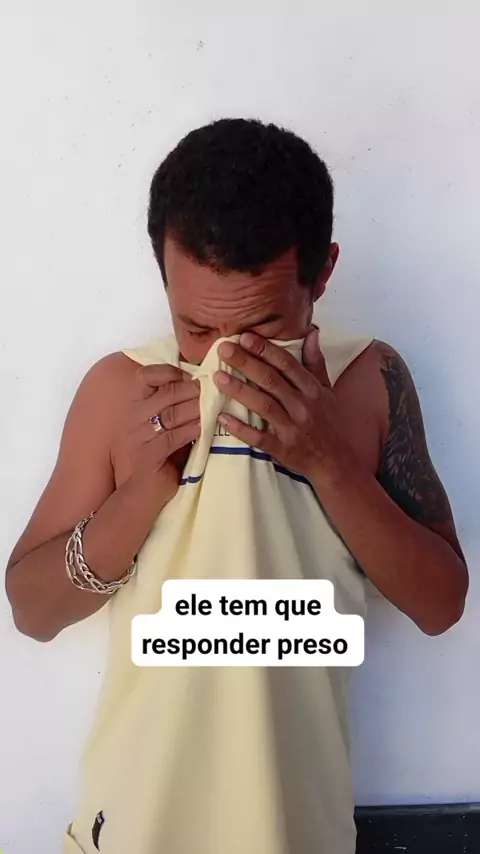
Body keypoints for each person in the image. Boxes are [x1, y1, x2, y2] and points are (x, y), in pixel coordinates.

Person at [6, 118, 468, 854]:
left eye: (262, 328)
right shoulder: (124, 388)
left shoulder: (366, 380)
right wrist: (140, 494)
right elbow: (32, 610)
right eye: (195, 328)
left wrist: (329, 462)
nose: (225, 357)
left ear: (323, 274)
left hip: (297, 829)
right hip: (134, 827)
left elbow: (441, 605)